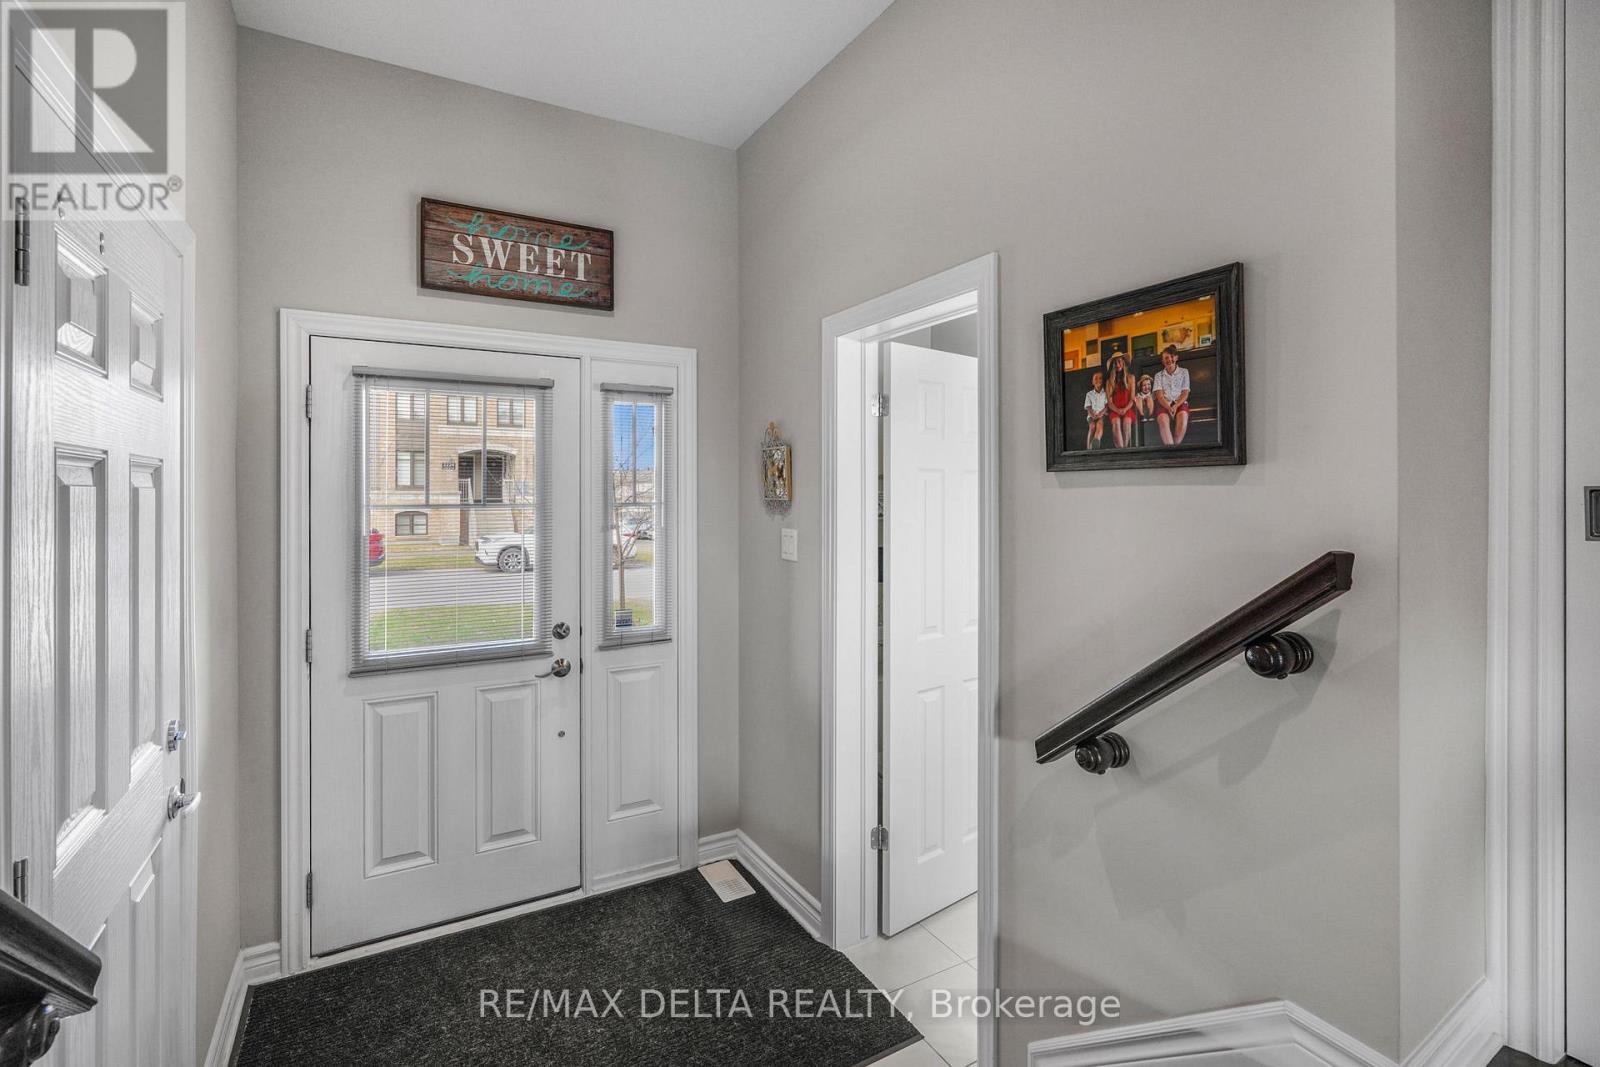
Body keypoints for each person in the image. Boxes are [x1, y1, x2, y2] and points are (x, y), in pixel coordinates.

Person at [1153, 346, 1191, 445]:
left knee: (1183, 418)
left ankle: (1175, 448)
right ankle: (1170, 449)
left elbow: (1185, 393)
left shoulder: (1184, 372)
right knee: (1162, 420)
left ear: (1176, 358)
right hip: (1164, 404)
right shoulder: (1158, 375)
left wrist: (1176, 406)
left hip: (1180, 403)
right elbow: (1159, 396)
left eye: (1172, 356)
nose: (1169, 359)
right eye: (1166, 358)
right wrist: (1168, 407)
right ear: (1162, 361)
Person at [1105, 354, 1135, 448]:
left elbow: (1132, 399)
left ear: (1123, 362)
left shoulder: (1131, 378)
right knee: (1116, 423)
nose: (1117, 365)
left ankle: (1124, 450)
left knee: (1127, 423)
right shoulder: (1109, 381)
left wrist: (1125, 409)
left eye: (1119, 361)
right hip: (1114, 409)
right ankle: (1121, 450)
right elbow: (1109, 402)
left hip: (1127, 408)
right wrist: (1118, 410)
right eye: (1115, 363)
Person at [1082, 370, 1107, 449]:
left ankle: (1096, 441)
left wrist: (1100, 414)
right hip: (1091, 415)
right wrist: (1092, 415)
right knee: (1092, 426)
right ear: (1092, 382)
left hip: (1101, 415)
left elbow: (1106, 406)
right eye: (1096, 379)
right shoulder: (1089, 394)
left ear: (1103, 381)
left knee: (1100, 424)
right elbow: (1088, 407)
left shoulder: (1105, 393)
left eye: (1100, 378)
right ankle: (1089, 447)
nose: (1098, 380)